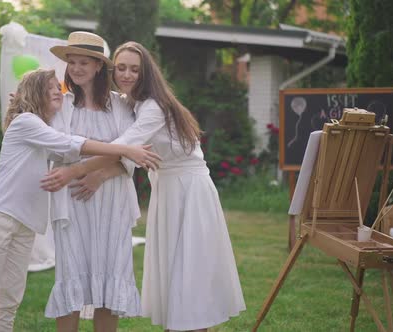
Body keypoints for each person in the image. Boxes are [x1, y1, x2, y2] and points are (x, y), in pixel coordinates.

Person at [43, 41, 246, 332]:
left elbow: (123, 146)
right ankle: (179, 324)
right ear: (113, 70)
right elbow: (128, 153)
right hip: (165, 187)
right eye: (122, 68)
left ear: (145, 72)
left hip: (189, 188)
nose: (126, 74)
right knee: (173, 267)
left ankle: (194, 324)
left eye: (134, 69)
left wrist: (78, 170)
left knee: (190, 266)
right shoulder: (131, 104)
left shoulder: (151, 106)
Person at [0, 68, 160, 332]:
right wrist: (125, 148)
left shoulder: (42, 124)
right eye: (52, 87)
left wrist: (107, 167)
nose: (59, 91)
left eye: (59, 87)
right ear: (36, 93)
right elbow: (71, 144)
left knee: (8, 302)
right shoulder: (26, 122)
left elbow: (71, 151)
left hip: (26, 223)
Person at [42, 31, 143, 332]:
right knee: (70, 275)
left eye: (84, 62)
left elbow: (132, 155)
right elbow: (56, 148)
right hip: (73, 202)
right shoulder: (63, 105)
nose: (76, 68)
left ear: (99, 66)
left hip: (113, 202)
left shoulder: (121, 106)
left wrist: (97, 175)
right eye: (72, 62)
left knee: (110, 279)